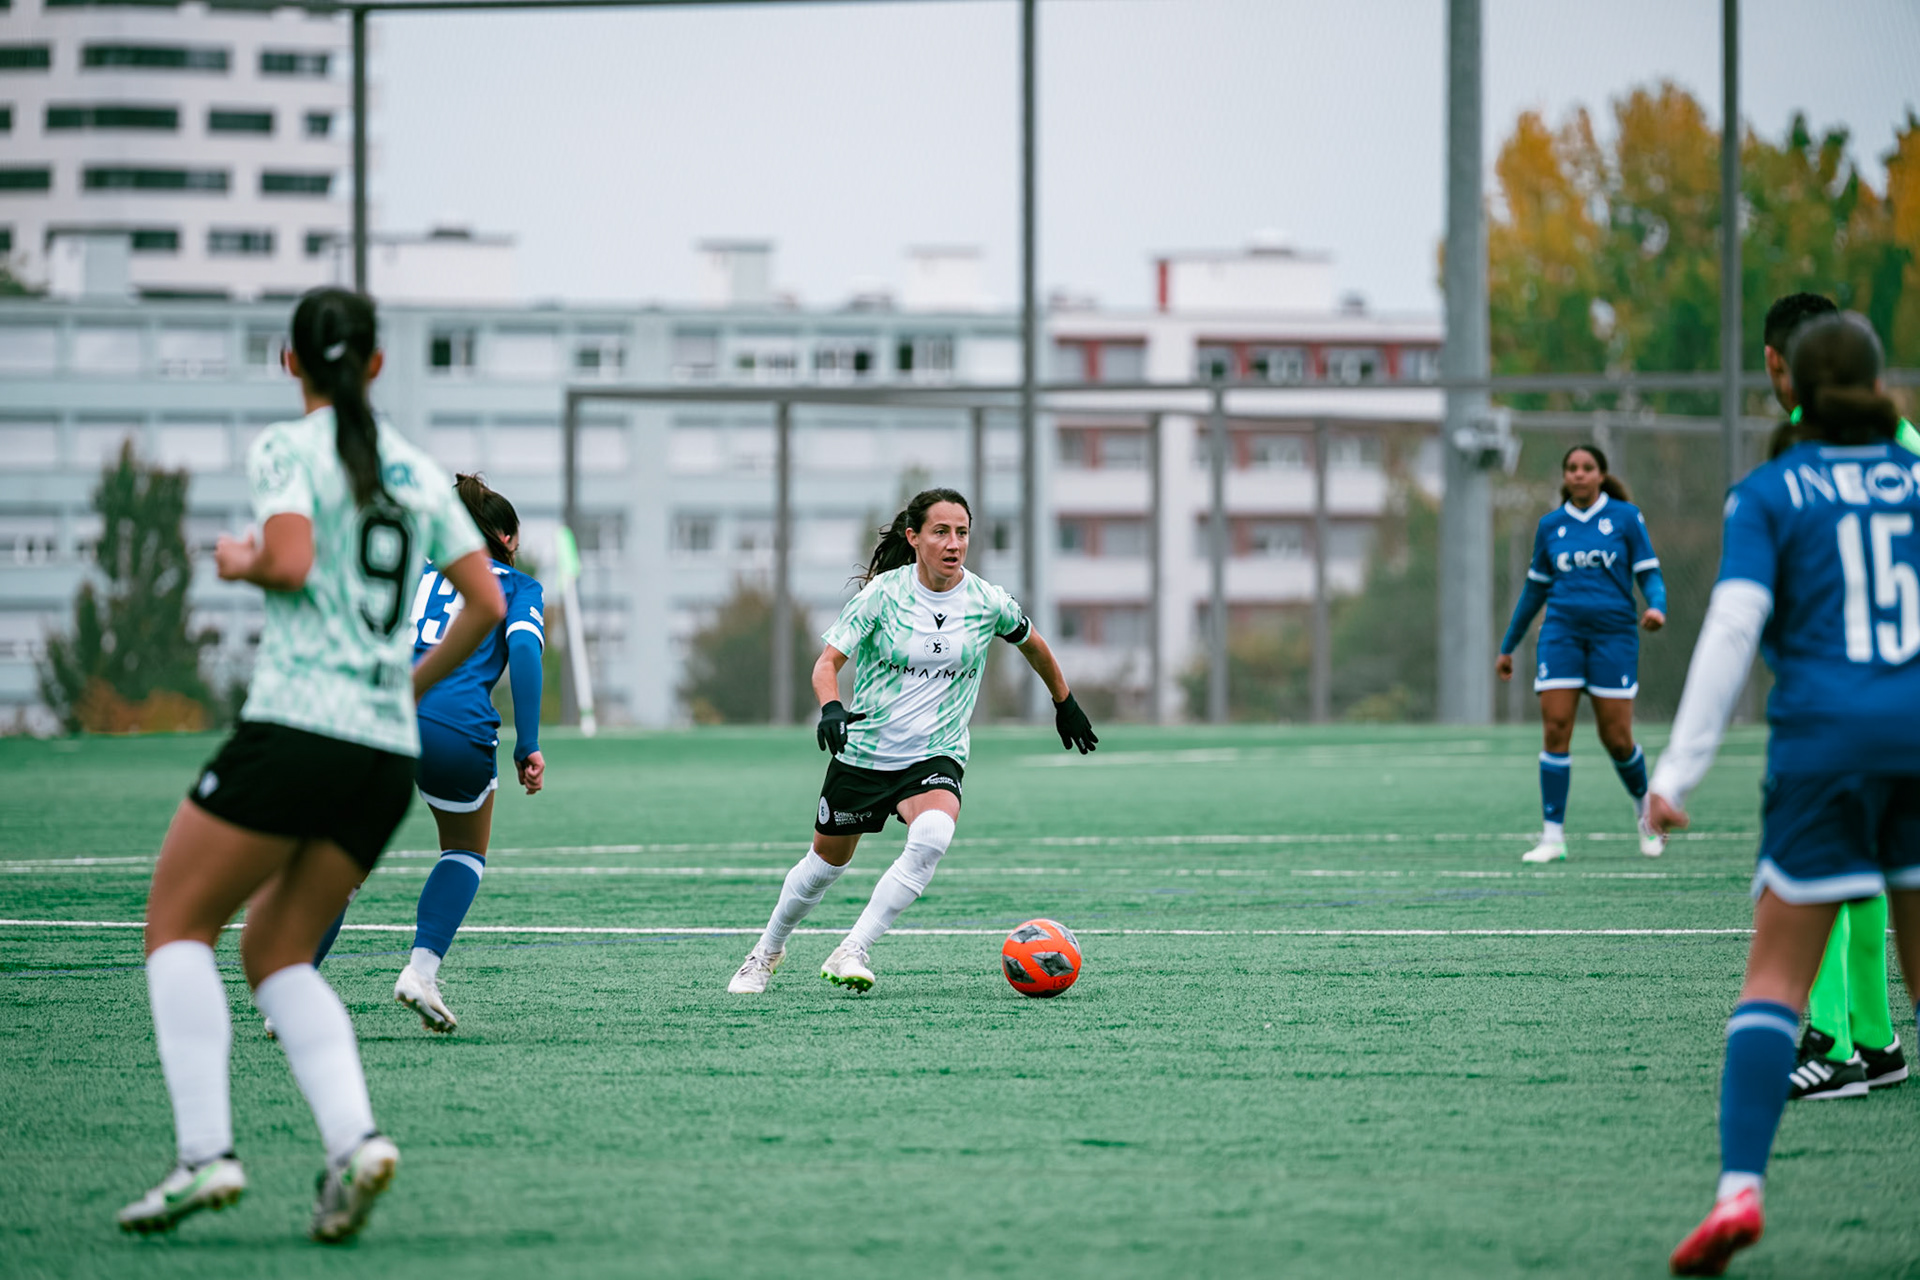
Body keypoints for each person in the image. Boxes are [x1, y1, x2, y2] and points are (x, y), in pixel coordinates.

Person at [116, 288, 503, 1243]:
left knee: (177, 923)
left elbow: (289, 561)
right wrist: (407, 685)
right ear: (376, 364)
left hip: (297, 725)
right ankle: (354, 1141)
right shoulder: (416, 468)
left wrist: (240, 561)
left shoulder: (288, 448)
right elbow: (487, 605)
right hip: (380, 750)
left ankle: (205, 1154)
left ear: (290, 360)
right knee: (277, 953)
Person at [1647, 313, 1920, 1276]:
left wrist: (1675, 773)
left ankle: (1738, 1191)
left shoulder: (1769, 492)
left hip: (1823, 751)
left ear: (1789, 386)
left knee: (1773, 981)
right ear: (1879, 386)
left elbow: (1732, 628)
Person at [725, 487, 1098, 995]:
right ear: (914, 537)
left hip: (935, 754)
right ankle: (765, 953)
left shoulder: (986, 600)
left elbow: (1034, 644)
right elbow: (827, 663)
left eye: (962, 532)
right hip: (866, 753)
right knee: (822, 868)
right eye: (941, 532)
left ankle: (853, 948)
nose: (954, 543)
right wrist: (831, 706)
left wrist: (1064, 701)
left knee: (933, 836)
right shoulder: (883, 596)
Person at [305, 474, 547, 1035]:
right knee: (464, 849)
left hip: (382, 716)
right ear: (507, 537)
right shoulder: (518, 585)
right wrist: (528, 743)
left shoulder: (416, 575)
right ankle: (420, 972)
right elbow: (524, 651)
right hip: (454, 723)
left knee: (349, 861)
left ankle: (292, 988)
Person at [1758, 292, 1909, 1102]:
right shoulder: (1903, 444)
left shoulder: (1813, 456)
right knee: (1870, 877)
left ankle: (1831, 1044)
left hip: (1851, 704)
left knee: (1815, 871)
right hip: (1897, 702)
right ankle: (1876, 1041)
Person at [1496, 445, 1668, 863]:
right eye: (1571, 468)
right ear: (1564, 476)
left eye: (1587, 468)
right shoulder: (1551, 526)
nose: (1578, 474)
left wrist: (1657, 606)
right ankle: (1552, 837)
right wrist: (1508, 646)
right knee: (1556, 729)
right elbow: (1534, 590)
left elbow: (1649, 574)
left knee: (1617, 739)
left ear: (1601, 475)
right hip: (1561, 636)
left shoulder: (1625, 518)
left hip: (1614, 637)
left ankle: (1647, 816)